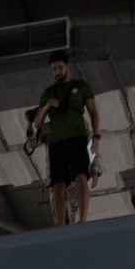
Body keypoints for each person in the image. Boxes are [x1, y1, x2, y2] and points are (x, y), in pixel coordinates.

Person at [31, 51, 100, 226]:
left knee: (81, 177)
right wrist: (47, 105)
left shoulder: (81, 86)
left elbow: (93, 111)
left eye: (60, 67)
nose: (57, 72)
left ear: (67, 66)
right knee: (58, 185)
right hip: (56, 142)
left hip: (78, 137)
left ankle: (82, 220)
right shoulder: (49, 92)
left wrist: (96, 135)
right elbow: (37, 124)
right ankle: (61, 226)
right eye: (54, 69)